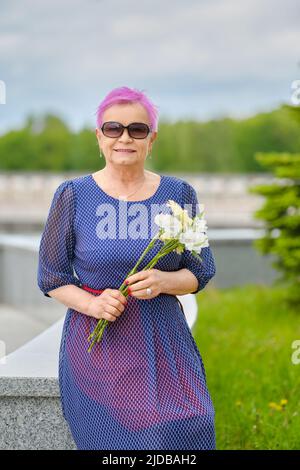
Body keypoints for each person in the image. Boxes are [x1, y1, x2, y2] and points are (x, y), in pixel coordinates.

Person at [37, 86, 217, 450]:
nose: (124, 138)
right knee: (118, 444)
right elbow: (52, 277)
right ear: (99, 137)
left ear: (151, 139)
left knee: (190, 429)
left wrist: (165, 280)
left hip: (165, 340)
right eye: (113, 128)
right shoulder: (72, 195)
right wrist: (92, 305)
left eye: (137, 130)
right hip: (99, 344)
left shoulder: (180, 194)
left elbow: (201, 271)